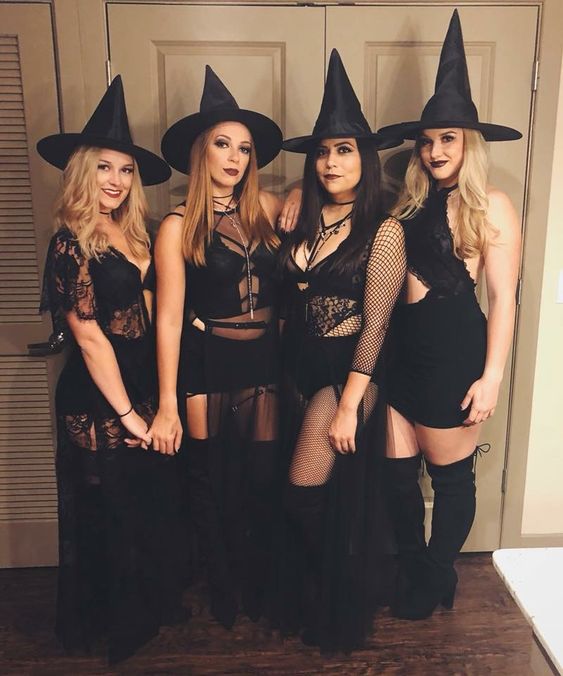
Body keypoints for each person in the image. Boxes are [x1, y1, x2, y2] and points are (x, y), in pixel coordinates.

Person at [377, 9, 522, 621]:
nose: (435, 150)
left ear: (469, 144)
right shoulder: (408, 202)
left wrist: (491, 378)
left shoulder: (491, 205)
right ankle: (416, 566)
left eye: (449, 139)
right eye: (427, 140)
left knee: (451, 481)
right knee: (395, 479)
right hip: (400, 357)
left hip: (452, 360)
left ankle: (437, 575)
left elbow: (504, 299)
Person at [37, 76, 184, 663]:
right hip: (98, 397)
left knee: (145, 502)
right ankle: (103, 623)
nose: (117, 181)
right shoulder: (68, 243)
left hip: (142, 385)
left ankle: (146, 607)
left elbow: (156, 312)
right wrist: (128, 415)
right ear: (82, 172)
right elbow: (90, 338)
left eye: (126, 170)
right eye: (104, 168)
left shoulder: (137, 233)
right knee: (108, 509)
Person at [150, 66, 286, 629]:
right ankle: (224, 587)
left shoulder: (268, 210)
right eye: (223, 144)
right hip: (206, 363)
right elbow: (168, 319)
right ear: (201, 151)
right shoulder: (178, 226)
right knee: (210, 483)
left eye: (245, 149)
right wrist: (165, 403)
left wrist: (299, 193)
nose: (235, 158)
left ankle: (257, 582)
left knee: (261, 477)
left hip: (264, 362)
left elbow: (322, 204)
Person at [279, 49, 405, 653]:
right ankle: (313, 589)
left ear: (365, 158)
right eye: (323, 152)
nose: (331, 162)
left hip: (346, 377)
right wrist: (288, 191)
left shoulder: (384, 229)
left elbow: (376, 327)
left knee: (303, 491)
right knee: (315, 495)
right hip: (294, 371)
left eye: (345, 150)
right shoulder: (302, 216)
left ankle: (339, 598)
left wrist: (350, 405)